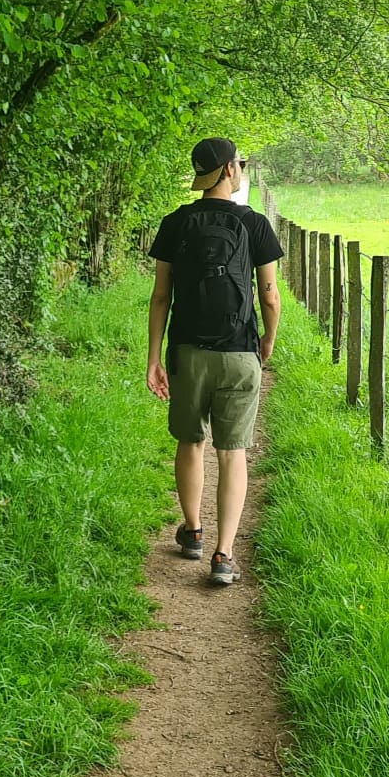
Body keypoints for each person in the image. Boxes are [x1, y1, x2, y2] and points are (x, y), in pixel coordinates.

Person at [146, 137, 282, 586]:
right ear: (228, 170)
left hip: (187, 351)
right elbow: (270, 296)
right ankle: (223, 555)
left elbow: (161, 295)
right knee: (233, 452)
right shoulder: (255, 224)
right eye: (238, 164)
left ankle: (193, 532)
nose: (239, 169)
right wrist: (267, 342)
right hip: (239, 352)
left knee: (190, 442)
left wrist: (153, 357)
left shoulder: (175, 223)